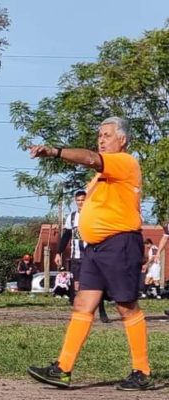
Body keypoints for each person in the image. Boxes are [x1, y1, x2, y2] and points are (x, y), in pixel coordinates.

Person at [27, 117, 153, 391]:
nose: (101, 139)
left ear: (122, 140)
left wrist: (56, 151)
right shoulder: (100, 177)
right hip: (95, 249)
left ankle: (141, 370)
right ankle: (62, 369)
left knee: (125, 306)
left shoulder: (124, 161)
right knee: (83, 305)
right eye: (99, 135)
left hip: (120, 243)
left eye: (107, 135)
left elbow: (90, 158)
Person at [55, 190, 110, 323]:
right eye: (78, 200)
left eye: (83, 200)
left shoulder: (95, 216)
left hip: (92, 255)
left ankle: (101, 309)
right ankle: (80, 312)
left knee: (97, 284)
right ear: (75, 202)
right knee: (77, 285)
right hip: (77, 256)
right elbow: (66, 236)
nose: (80, 203)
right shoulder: (72, 217)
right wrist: (59, 252)